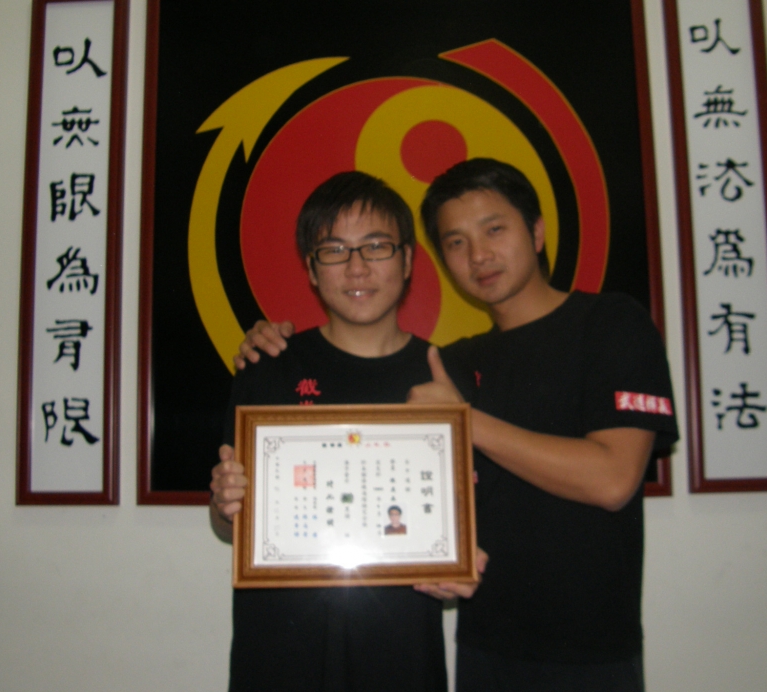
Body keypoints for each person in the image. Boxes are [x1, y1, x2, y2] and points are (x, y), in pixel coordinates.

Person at [234, 158, 679, 692]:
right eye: (456, 242)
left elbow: (613, 480)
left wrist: (463, 420)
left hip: (588, 650)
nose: (479, 255)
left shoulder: (611, 324)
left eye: (495, 230)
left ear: (536, 232)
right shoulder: (455, 363)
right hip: (482, 643)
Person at [209, 170, 483, 692]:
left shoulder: (446, 381)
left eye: (376, 246)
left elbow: (470, 525)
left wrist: (463, 558)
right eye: (334, 250)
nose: (357, 267)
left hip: (400, 656)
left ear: (407, 260)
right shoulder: (269, 367)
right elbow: (228, 525)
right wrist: (225, 506)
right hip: (278, 654)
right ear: (312, 270)